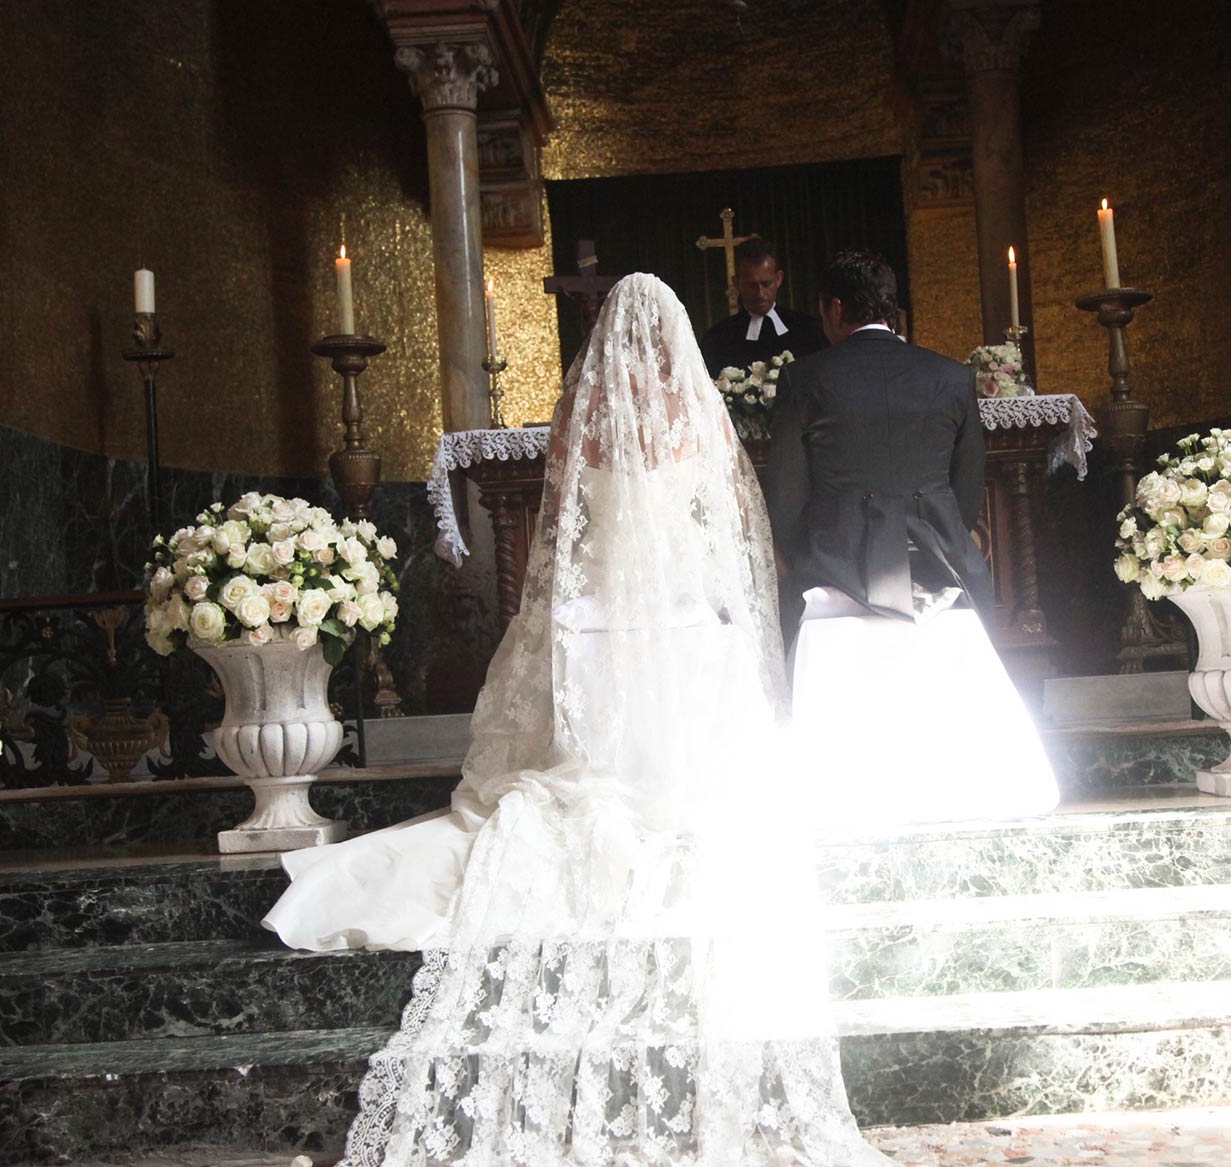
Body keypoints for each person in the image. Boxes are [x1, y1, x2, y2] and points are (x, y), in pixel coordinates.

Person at [264, 273, 889, 1167]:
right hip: (678, 617)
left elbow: (561, 536)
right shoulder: (698, 414)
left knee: (516, 808)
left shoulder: (580, 414)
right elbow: (730, 534)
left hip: (593, 615)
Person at [764, 249, 1060, 830]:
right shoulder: (951, 377)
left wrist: (804, 561)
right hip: (940, 566)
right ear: (894, 310)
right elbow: (966, 490)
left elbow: (787, 496)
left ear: (835, 308)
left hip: (836, 567)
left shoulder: (806, 378)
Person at [699, 237, 827, 377]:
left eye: (766, 284)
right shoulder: (718, 339)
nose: (760, 294)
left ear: (779, 279)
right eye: (752, 285)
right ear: (736, 283)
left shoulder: (808, 329)